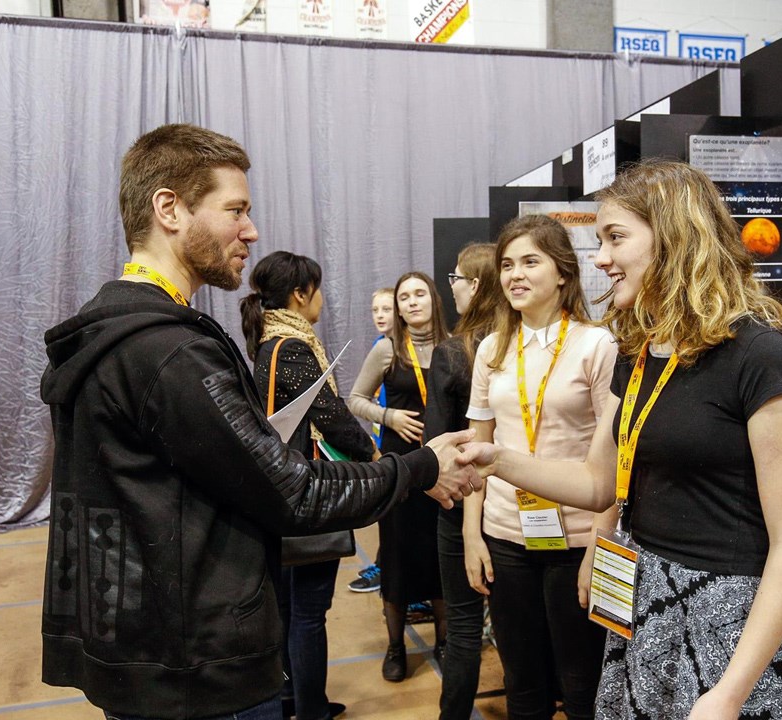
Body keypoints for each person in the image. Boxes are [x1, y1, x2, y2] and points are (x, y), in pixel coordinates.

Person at [39, 123, 478, 720]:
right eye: (235, 210)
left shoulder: (120, 333)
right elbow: (293, 493)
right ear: (169, 208)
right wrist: (422, 467)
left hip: (156, 653)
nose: (251, 230)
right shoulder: (167, 352)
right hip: (200, 670)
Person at [459, 159, 782, 720]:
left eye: (615, 238)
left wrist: (728, 694)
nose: (600, 259)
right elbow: (598, 481)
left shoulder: (760, 358)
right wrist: (496, 459)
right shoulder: (642, 352)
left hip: (729, 623)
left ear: (676, 236)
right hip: (646, 605)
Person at [463, 215, 617, 720]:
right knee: (521, 681)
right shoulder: (492, 348)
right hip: (506, 534)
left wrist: (600, 547)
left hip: (577, 538)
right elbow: (477, 450)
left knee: (581, 683)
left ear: (564, 274)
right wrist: (472, 535)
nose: (515, 275)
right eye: (507, 265)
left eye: (530, 261)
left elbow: (616, 459)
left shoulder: (598, 345)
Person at [241, 251, 372, 720]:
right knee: (308, 611)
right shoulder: (291, 347)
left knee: (289, 605)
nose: (321, 299)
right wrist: (372, 454)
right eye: (317, 289)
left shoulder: (266, 344)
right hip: (306, 495)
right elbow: (330, 417)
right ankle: (312, 708)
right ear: (300, 295)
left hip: (277, 493)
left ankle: (290, 698)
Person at [347, 271, 451, 681]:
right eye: (403, 296)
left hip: (443, 466)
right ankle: (395, 648)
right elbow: (355, 399)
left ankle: (444, 642)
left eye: (418, 294)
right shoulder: (388, 349)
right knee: (397, 558)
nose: (410, 302)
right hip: (400, 469)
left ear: (433, 300)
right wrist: (388, 415)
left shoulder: (454, 347)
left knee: (441, 557)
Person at [424, 243, 505, 720]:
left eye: (455, 278)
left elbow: (439, 445)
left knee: (463, 626)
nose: (450, 287)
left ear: (475, 286)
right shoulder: (518, 348)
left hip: (463, 506)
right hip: (518, 506)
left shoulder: (452, 354)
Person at [347, 287, 397, 595]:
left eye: (386, 309)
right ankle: (385, 563)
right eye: (375, 310)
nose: (379, 315)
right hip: (385, 439)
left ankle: (390, 568)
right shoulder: (381, 346)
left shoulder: (406, 349)